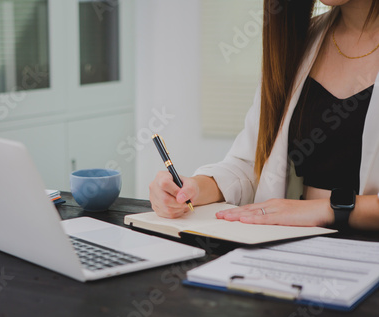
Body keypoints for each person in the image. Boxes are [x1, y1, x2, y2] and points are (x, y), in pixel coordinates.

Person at [149, 0, 379, 230]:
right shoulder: (300, 39)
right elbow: (256, 164)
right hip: (302, 244)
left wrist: (325, 209)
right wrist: (194, 188)